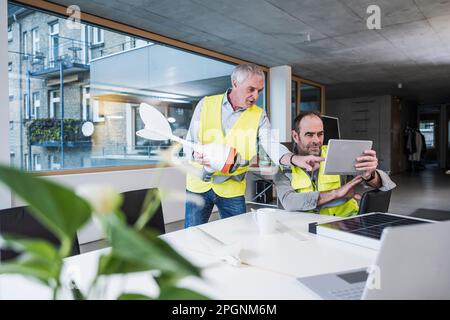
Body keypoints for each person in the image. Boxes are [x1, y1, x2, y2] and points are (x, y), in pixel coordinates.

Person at [184, 63, 322, 227]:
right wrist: (196, 154)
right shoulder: (206, 104)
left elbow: (270, 144)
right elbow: (190, 142)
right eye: (251, 89)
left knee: (240, 236)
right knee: (191, 235)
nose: (255, 96)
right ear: (235, 83)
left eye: (259, 91)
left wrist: (294, 159)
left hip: (232, 188)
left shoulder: (259, 115)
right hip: (198, 185)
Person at [274, 111, 396, 217]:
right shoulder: (284, 166)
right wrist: (337, 193)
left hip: (346, 221)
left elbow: (382, 185)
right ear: (295, 136)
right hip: (307, 226)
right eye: (309, 135)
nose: (317, 140)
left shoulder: (337, 153)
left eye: (320, 134)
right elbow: (289, 202)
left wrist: (371, 176)